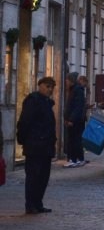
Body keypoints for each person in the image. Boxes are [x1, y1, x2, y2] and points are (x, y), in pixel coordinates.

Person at [16, 77, 56, 214]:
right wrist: (23, 139)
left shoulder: (47, 103)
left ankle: (38, 203)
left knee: (43, 177)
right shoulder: (33, 100)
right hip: (34, 145)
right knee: (33, 176)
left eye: (52, 87)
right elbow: (25, 121)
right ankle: (30, 204)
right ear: (40, 85)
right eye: (47, 86)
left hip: (46, 146)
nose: (49, 90)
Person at [63, 72, 87, 168]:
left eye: (67, 80)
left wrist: (71, 119)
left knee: (74, 140)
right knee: (76, 139)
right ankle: (79, 159)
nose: (66, 82)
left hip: (75, 121)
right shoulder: (74, 90)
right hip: (75, 120)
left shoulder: (76, 90)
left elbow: (77, 107)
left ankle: (74, 159)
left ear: (71, 80)